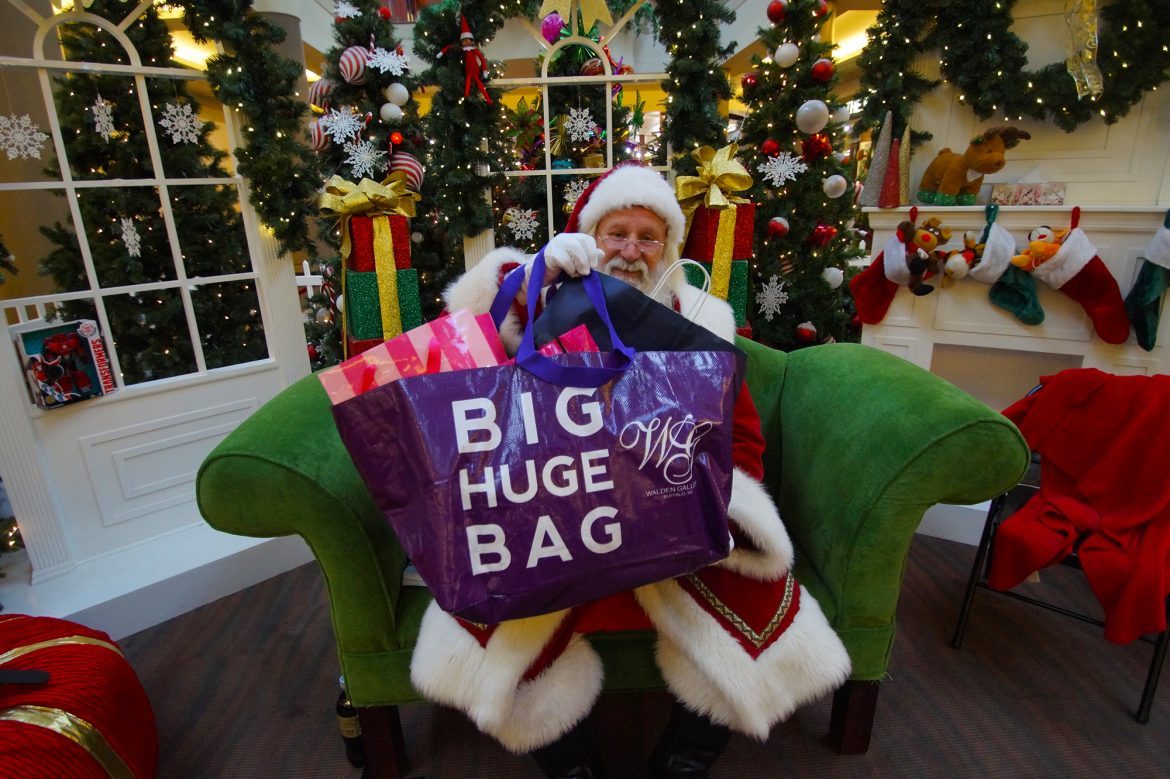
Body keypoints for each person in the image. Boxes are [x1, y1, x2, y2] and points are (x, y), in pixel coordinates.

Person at [411, 162, 850, 778]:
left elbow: (742, 434)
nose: (631, 250)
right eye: (616, 233)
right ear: (589, 239)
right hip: (560, 513)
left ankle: (687, 755)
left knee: (748, 606)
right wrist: (533, 277)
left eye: (649, 237)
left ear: (667, 248)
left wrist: (711, 498)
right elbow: (463, 360)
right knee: (493, 611)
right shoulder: (541, 305)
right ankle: (569, 762)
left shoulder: (699, 321)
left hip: (669, 515)